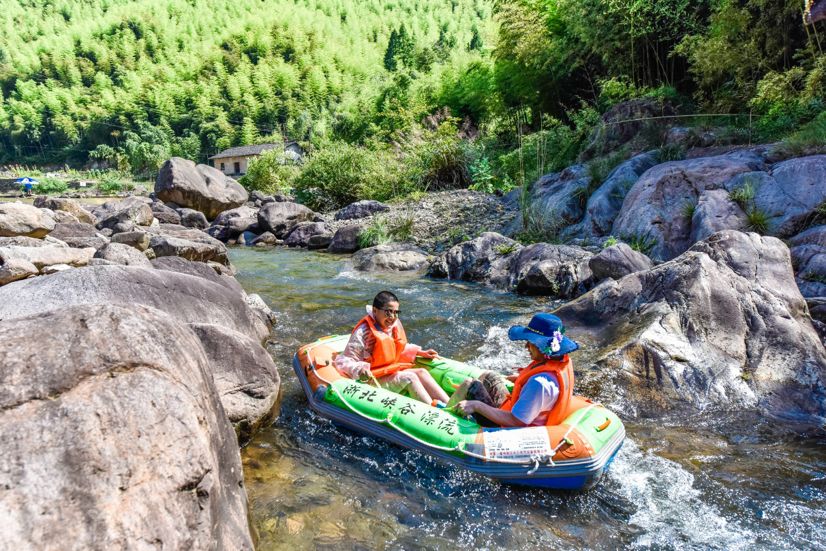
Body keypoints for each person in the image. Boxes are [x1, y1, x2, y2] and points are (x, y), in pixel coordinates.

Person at [455, 313, 578, 427]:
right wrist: (521, 379)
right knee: (489, 377)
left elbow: (516, 421)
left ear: (543, 346)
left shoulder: (539, 383)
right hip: (520, 410)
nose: (526, 346)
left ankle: (447, 413)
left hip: (511, 428)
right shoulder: (561, 362)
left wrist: (477, 406)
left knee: (470, 385)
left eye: (530, 342)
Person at [334, 291, 450, 405]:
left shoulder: (392, 325)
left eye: (396, 312)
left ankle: (451, 406)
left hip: (387, 372)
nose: (393, 317)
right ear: (375, 310)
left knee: (422, 372)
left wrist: (419, 352)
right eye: (388, 312)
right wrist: (359, 369)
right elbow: (344, 361)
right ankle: (432, 412)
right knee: (409, 377)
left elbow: (395, 347)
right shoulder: (363, 332)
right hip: (371, 379)